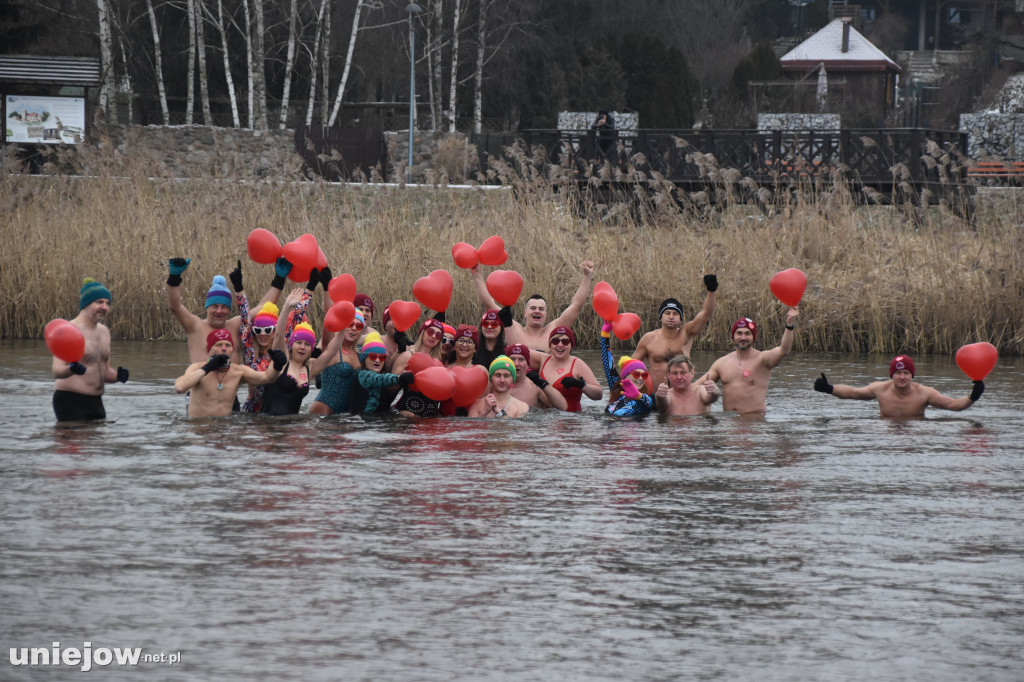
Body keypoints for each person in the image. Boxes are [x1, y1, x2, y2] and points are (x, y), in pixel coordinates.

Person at [165, 257, 286, 364]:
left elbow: (264, 306)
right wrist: (174, 278)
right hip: (202, 389)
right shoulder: (195, 325)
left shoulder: (234, 326)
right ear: (207, 307)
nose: (219, 311)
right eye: (214, 306)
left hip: (230, 389)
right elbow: (175, 306)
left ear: (229, 310)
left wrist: (279, 278)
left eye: (224, 307)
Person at [470, 260, 595, 352]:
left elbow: (576, 306)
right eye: (533, 308)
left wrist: (587, 277)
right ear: (525, 313)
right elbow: (489, 304)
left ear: (546, 314)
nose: (537, 311)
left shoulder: (554, 329)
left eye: (541, 309)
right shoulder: (513, 328)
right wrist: (477, 275)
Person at [51, 278, 129, 422]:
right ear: (86, 304)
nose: (105, 307)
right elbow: (57, 372)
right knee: (74, 439)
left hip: (96, 402)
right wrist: (71, 369)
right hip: (70, 400)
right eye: (99, 302)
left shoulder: (104, 332)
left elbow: (104, 371)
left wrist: (118, 376)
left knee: (97, 443)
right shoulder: (67, 330)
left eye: (107, 303)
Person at [813, 355, 985, 418]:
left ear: (912, 375)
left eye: (906, 373)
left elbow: (953, 405)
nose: (902, 377)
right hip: (886, 433)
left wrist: (973, 396)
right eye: (898, 373)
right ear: (891, 375)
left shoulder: (925, 393)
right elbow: (853, 392)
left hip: (914, 433)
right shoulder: (880, 389)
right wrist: (829, 389)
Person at [700, 308, 799, 415]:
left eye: (747, 334)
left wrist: (790, 325)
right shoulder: (721, 363)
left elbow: (784, 350)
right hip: (729, 425)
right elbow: (697, 385)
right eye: (739, 333)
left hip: (754, 422)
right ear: (733, 336)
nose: (743, 337)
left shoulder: (763, 359)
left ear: (753, 337)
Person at [631, 275, 719, 389]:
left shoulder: (687, 333)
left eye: (675, 314)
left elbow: (706, 313)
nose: (671, 317)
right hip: (656, 397)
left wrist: (711, 291)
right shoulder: (648, 339)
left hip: (680, 397)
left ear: (681, 318)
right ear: (660, 317)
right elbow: (630, 366)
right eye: (667, 313)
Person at [174, 329, 285, 418]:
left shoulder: (238, 371)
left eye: (227, 345)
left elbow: (267, 377)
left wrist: (277, 366)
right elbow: (179, 387)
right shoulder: (197, 368)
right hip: (200, 432)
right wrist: (208, 367)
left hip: (224, 432)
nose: (223, 348)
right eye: (218, 345)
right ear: (209, 349)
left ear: (232, 350)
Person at [309, 310, 366, 415]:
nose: (354, 328)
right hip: (323, 409)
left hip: (344, 416)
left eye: (359, 326)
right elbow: (328, 318)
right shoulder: (333, 349)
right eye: (350, 324)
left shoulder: (359, 355)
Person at [538, 325, 602, 412]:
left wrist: (582, 385)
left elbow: (599, 395)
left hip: (571, 421)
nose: (560, 345)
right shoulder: (542, 359)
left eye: (565, 342)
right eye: (555, 341)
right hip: (545, 421)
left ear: (571, 346)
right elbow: (518, 352)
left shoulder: (578, 364)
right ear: (550, 344)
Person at [349, 332, 415, 414]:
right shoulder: (362, 375)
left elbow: (389, 370)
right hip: (361, 423)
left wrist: (399, 351)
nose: (377, 360)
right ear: (364, 357)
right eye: (373, 356)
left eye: (382, 357)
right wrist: (399, 378)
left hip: (380, 422)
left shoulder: (383, 374)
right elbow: (379, 379)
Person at [600, 323, 654, 417]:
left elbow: (647, 401)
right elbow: (608, 364)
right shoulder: (617, 388)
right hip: (611, 428)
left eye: (644, 375)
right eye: (636, 374)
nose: (641, 378)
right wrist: (605, 334)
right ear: (626, 376)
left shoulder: (646, 399)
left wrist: (638, 396)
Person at [506, 343, 567, 410]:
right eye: (512, 359)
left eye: (521, 359)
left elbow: (562, 407)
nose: (516, 364)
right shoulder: (498, 385)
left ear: (528, 364)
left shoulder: (536, 387)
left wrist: (543, 383)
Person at [654, 355, 720, 416]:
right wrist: (660, 396)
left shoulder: (700, 391)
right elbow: (662, 403)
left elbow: (709, 397)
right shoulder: (667, 394)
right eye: (674, 373)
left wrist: (715, 391)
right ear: (669, 375)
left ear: (692, 373)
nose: (679, 377)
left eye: (683, 373)